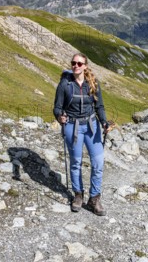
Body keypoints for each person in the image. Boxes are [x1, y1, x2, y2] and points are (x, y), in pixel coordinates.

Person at [53, 53, 110, 215]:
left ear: (85, 66)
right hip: (72, 125)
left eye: (79, 64)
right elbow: (57, 107)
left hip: (92, 125)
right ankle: (78, 195)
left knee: (98, 163)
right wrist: (60, 117)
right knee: (75, 163)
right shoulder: (65, 84)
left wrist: (104, 122)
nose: (76, 66)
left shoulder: (93, 83)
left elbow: (100, 106)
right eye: (73, 63)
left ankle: (94, 199)